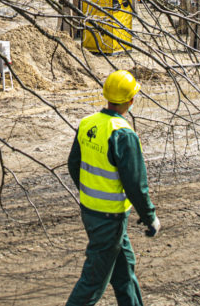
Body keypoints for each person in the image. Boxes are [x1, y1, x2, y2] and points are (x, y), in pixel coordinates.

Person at [66, 70, 159, 306]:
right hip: (110, 218)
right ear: (131, 100)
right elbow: (135, 185)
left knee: (124, 273)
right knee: (92, 283)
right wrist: (149, 217)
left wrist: (89, 192)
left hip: (91, 213)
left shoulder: (87, 124)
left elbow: (73, 164)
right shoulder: (123, 134)